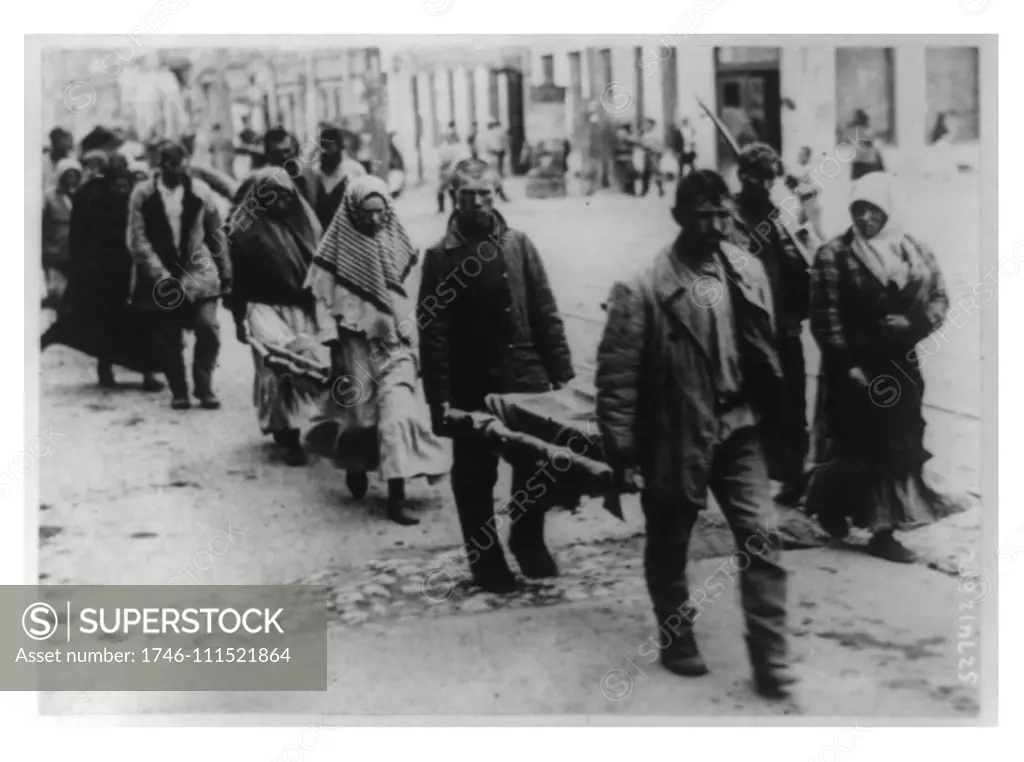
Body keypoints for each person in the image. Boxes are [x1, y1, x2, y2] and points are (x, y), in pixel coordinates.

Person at [594, 169, 795, 699]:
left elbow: (767, 347)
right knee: (669, 538)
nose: (716, 226)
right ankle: (675, 631)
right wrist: (623, 450)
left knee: (762, 536)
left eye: (724, 214)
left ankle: (772, 658)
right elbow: (617, 377)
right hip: (675, 430)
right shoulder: (642, 287)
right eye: (703, 216)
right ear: (679, 217)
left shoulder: (747, 271)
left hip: (739, 425)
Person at [418, 158, 574, 592]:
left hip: (525, 376)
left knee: (535, 463)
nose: (479, 202)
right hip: (473, 382)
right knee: (474, 476)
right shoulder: (439, 257)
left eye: (486, 192)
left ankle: (527, 540)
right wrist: (439, 400)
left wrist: (561, 374)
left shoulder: (519, 245)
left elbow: (545, 310)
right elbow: (433, 334)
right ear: (455, 197)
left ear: (497, 194)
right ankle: (485, 560)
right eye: (469, 194)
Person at [806, 172, 957, 562]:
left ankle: (882, 529)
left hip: (901, 365)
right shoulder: (835, 254)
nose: (866, 219)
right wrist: (846, 365)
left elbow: (940, 297)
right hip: (857, 366)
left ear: (888, 210)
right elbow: (826, 317)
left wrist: (916, 323)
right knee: (858, 444)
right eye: (859, 210)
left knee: (897, 441)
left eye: (874, 211)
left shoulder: (914, 251)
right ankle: (838, 508)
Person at [305, 175, 450, 526]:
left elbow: (413, 293)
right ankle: (356, 464)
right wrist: (331, 341)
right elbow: (322, 302)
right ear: (353, 212)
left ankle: (395, 498)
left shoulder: (397, 241)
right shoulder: (335, 250)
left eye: (380, 212)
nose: (374, 220)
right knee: (363, 420)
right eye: (366, 213)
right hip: (355, 348)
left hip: (396, 344)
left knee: (398, 415)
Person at [731, 142, 811, 507]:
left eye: (769, 179)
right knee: (755, 406)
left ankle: (794, 475)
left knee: (793, 404)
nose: (763, 185)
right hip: (747, 331)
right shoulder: (731, 217)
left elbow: (798, 270)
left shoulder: (780, 217)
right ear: (742, 176)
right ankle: (752, 481)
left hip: (784, 327)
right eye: (757, 177)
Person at [229, 168, 325, 466]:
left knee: (305, 362)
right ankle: (287, 434)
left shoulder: (306, 226)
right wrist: (237, 320)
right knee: (276, 366)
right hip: (262, 308)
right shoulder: (243, 233)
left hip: (300, 307)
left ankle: (304, 425)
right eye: (270, 195)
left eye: (285, 194)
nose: (279, 201)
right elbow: (236, 282)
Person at [41, 165, 165, 391]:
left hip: (136, 276)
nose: (122, 190)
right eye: (117, 186)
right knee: (106, 326)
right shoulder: (97, 207)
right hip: (108, 280)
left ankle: (148, 374)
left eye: (125, 186)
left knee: (146, 326)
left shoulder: (137, 206)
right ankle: (105, 371)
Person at [128, 141, 231, 411]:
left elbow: (215, 233)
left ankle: (204, 385)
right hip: (162, 276)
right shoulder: (143, 193)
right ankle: (180, 391)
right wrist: (159, 275)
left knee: (208, 327)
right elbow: (137, 240)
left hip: (199, 272)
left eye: (183, 167)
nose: (179, 174)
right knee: (169, 337)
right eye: (173, 167)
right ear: (162, 166)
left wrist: (225, 270)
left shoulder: (201, 191)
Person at [41, 158, 82, 310]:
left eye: (75, 175)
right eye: (68, 175)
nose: (72, 180)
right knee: (59, 299)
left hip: (76, 258)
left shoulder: (81, 197)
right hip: (56, 256)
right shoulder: (49, 198)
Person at [784, 146, 826, 243]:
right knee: (797, 227)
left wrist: (799, 184)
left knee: (818, 232)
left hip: (811, 205)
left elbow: (818, 188)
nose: (799, 156)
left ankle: (829, 247)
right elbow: (795, 190)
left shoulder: (809, 170)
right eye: (799, 154)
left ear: (807, 157)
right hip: (804, 205)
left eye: (802, 155)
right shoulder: (799, 169)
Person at [846, 109, 885, 180]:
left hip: (858, 161)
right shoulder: (866, 131)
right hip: (868, 162)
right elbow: (875, 144)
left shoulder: (853, 130)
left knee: (858, 182)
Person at [436, 130, 469, 214]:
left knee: (441, 189)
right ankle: (456, 206)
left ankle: (441, 208)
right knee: (455, 189)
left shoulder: (450, 148)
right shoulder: (462, 146)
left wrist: (441, 169)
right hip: (461, 171)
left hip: (452, 171)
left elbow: (446, 161)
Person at [639, 118, 665, 198]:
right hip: (647, 154)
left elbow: (661, 147)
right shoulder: (644, 134)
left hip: (654, 155)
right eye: (645, 124)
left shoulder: (656, 134)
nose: (645, 125)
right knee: (646, 173)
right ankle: (644, 190)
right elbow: (642, 144)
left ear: (651, 124)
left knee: (656, 172)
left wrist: (651, 147)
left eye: (647, 124)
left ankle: (661, 189)